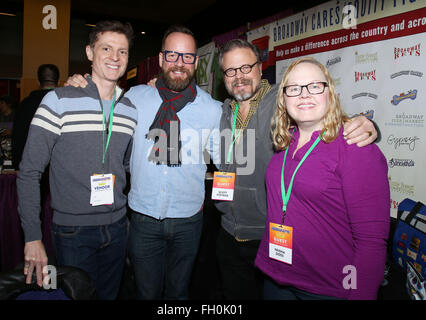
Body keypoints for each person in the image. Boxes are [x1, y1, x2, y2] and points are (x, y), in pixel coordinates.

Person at [66, 25, 222, 300]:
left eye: (187, 57)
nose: (179, 63)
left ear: (196, 63)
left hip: (188, 221)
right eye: (172, 55)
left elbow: (228, 160)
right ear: (161, 60)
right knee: (145, 293)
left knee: (179, 293)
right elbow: (98, 100)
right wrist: (79, 84)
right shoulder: (134, 99)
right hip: (142, 219)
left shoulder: (212, 109)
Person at [214, 39, 378, 300]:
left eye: (246, 67)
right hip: (229, 231)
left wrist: (367, 124)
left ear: (260, 68)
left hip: (267, 234)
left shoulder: (283, 98)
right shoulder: (222, 111)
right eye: (231, 71)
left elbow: (322, 113)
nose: (239, 76)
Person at [16, 20, 137, 300]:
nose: (115, 57)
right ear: (89, 52)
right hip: (73, 231)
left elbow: (128, 166)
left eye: (123, 51)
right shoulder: (58, 101)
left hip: (118, 227)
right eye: (106, 48)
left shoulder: (130, 109)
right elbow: (29, 172)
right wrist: (33, 236)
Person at [254, 57, 390, 300]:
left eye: (314, 86)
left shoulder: (355, 147)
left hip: (327, 288)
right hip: (275, 278)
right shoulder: (283, 143)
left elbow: (371, 242)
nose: (304, 95)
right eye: (294, 89)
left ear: (330, 93)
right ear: (284, 100)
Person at [12, 64, 60, 170]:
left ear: (38, 82)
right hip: (59, 165)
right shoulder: (65, 104)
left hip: (32, 163)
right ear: (59, 81)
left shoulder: (25, 104)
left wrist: (17, 164)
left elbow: (18, 136)